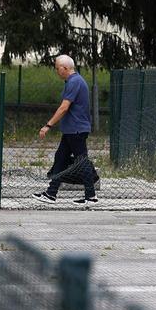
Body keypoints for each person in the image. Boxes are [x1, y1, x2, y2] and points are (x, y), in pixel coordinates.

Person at [34, 55, 98, 205]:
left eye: (57, 68)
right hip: (71, 130)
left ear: (65, 68)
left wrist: (48, 125)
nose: (57, 71)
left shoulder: (74, 82)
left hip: (76, 130)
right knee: (61, 159)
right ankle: (51, 194)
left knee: (81, 161)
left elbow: (64, 107)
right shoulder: (73, 81)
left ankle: (90, 196)